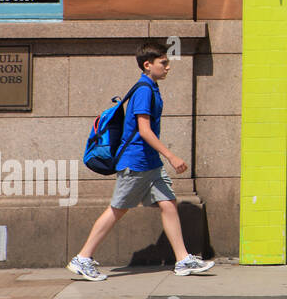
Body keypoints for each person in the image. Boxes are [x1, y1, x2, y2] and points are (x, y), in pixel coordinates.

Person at [67, 41, 214, 280]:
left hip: (149, 163)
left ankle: (182, 260)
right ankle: (82, 258)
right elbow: (144, 131)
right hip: (135, 162)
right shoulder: (145, 90)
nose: (168, 67)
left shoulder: (150, 87)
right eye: (163, 63)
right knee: (118, 209)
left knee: (168, 203)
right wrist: (171, 155)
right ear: (148, 65)